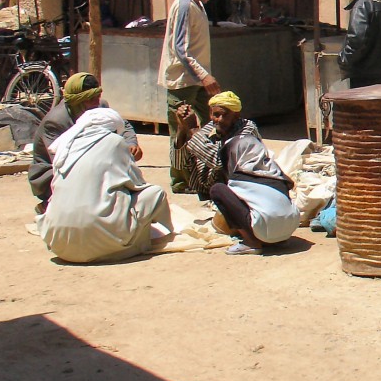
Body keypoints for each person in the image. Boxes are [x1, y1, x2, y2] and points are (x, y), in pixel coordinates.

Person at [36, 107, 173, 263]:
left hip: (60, 244)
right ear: (114, 128)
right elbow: (137, 183)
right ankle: (158, 235)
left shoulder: (67, 145)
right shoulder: (115, 142)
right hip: (102, 243)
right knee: (155, 193)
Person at [174, 91, 298, 255]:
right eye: (213, 114)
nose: (216, 119)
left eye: (222, 115)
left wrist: (193, 130)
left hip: (248, 188)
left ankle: (251, 240)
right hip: (248, 191)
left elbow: (218, 161)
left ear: (236, 115)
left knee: (219, 191)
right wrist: (183, 129)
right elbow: (179, 163)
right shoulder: (212, 129)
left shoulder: (247, 132)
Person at [28, 72, 142, 215]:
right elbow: (62, 162)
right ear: (77, 101)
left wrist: (131, 143)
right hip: (52, 173)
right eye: (90, 99)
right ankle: (50, 204)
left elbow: (123, 124)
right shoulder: (56, 122)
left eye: (97, 97)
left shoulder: (100, 107)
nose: (96, 103)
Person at [159, 0, 226, 190]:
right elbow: (181, 49)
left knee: (210, 126)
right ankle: (180, 180)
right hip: (183, 81)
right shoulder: (185, 6)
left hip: (196, 80)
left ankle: (204, 173)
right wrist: (204, 76)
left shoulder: (197, 5)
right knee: (180, 130)